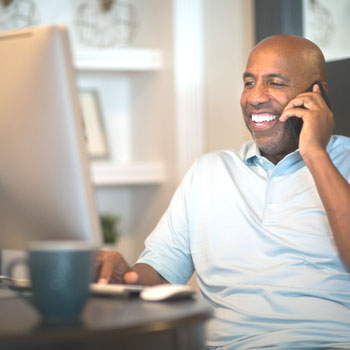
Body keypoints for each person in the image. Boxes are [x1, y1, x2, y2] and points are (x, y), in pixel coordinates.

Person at [96, 35, 350, 349]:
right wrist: (123, 280)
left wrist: (314, 152)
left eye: (275, 83)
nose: (255, 97)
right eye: (249, 82)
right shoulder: (208, 172)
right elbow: (159, 275)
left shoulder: (345, 162)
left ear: (318, 95)